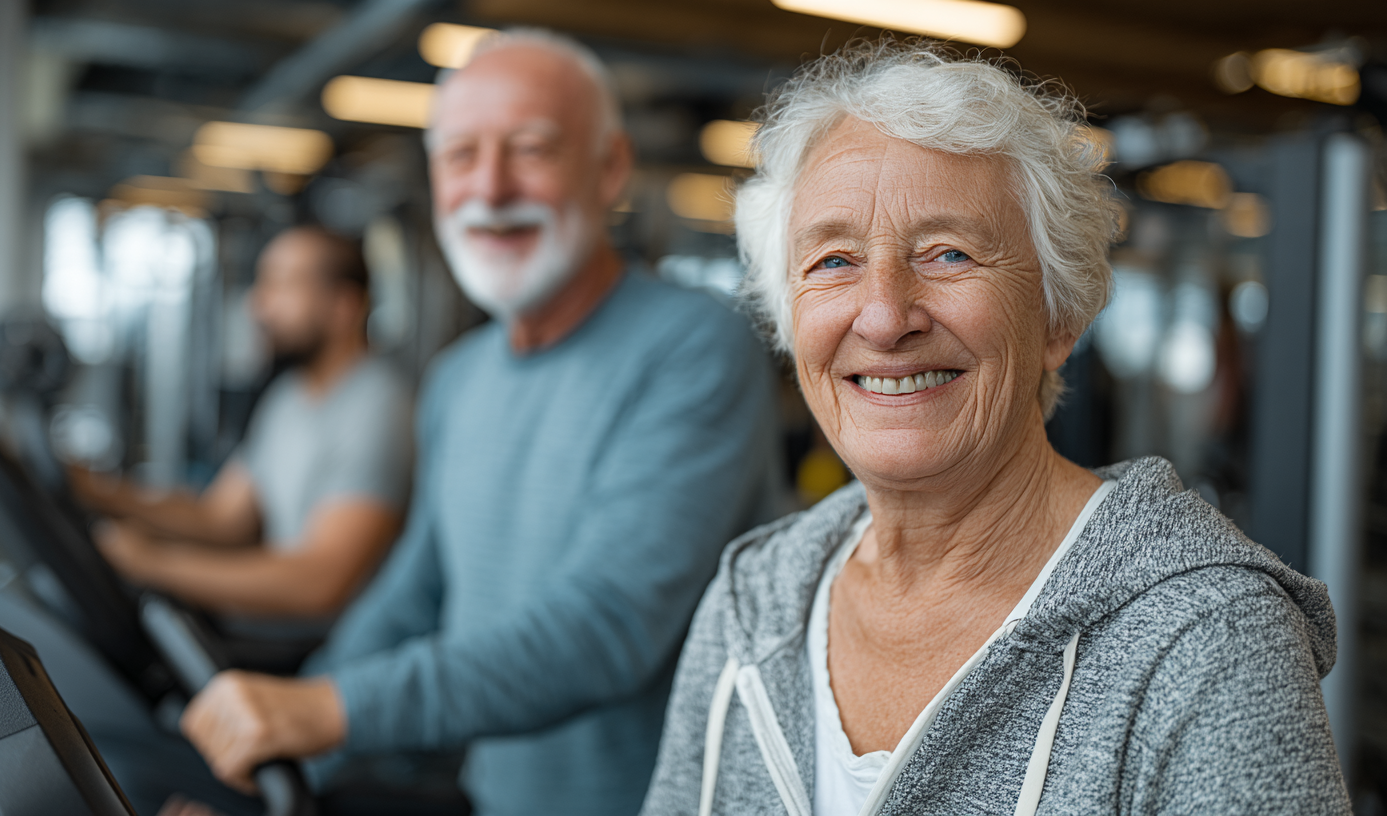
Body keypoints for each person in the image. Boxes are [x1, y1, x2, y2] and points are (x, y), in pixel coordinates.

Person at [641, 42, 1350, 816]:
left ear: (1059, 317)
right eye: (834, 261)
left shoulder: (1209, 641)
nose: (883, 317)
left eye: (949, 254)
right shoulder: (751, 601)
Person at [175, 29, 782, 816]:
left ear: (610, 168)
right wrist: (273, 762)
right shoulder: (458, 379)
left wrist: (330, 710)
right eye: (461, 156)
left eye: (530, 149)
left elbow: (609, 627)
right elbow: (410, 599)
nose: (490, 189)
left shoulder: (694, 347)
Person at [72, 225, 414, 621]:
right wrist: (99, 492)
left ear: (344, 307)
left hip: (326, 643)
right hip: (277, 627)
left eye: (282, 285)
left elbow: (322, 581)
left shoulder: (378, 405)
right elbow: (220, 518)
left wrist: (153, 563)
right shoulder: (288, 398)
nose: (257, 304)